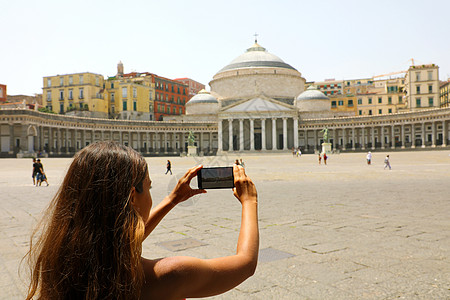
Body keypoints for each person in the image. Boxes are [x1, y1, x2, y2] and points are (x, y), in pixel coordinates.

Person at [25, 141, 259, 299]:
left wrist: (171, 200)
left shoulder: (61, 262)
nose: (151, 193)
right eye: (148, 187)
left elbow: (116, 240)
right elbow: (245, 264)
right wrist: (250, 202)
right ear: (132, 196)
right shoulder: (168, 274)